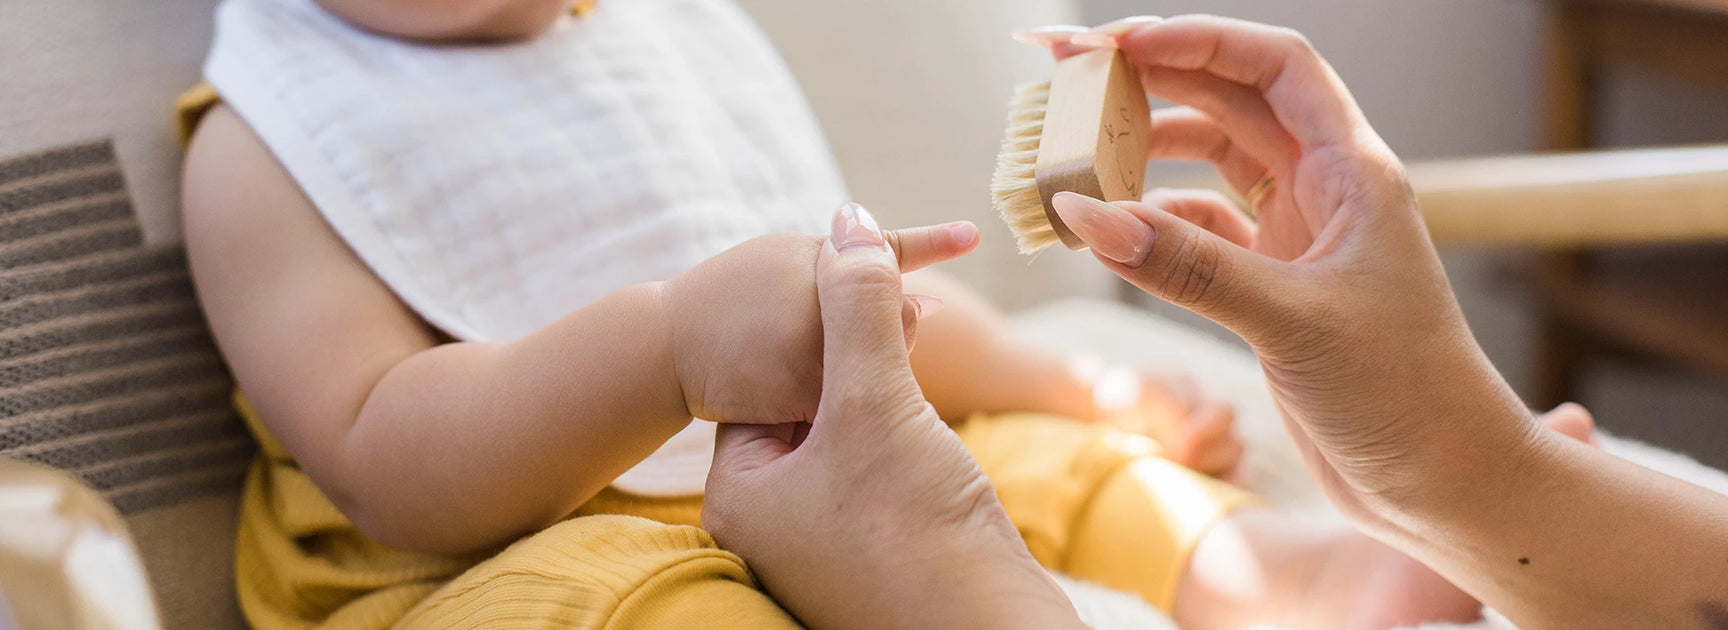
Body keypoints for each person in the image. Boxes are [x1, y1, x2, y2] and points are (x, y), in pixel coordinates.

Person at [179, 0, 1588, 627]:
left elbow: (865, 302)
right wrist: (669, 346)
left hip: (828, 471)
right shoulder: (265, 142)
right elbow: (381, 455)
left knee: (1053, 472)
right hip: (531, 542)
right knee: (617, 615)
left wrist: (1064, 383)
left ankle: (1289, 580)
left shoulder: (668, 46)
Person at [707, 14, 1728, 630]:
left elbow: (895, 300)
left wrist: (1084, 390)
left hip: (883, 393)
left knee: (1093, 471)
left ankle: (1315, 577)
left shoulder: (696, 43)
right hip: (626, 497)